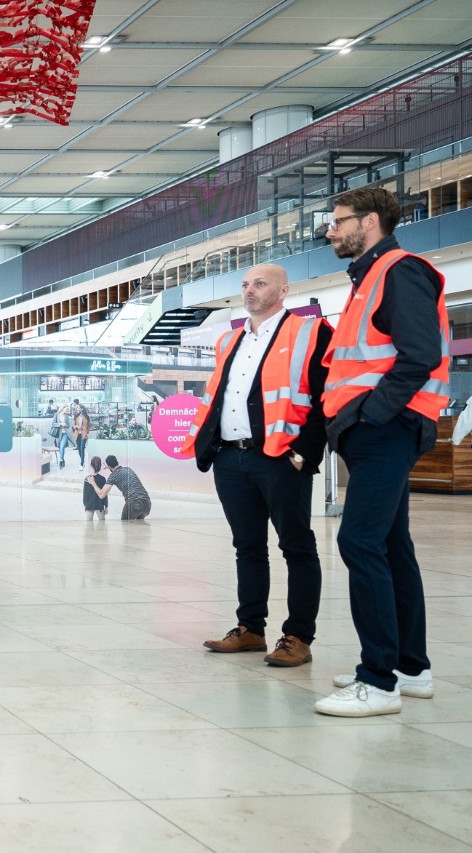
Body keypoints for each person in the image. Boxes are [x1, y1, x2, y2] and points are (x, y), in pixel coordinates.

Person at [315, 187, 451, 717]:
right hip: (376, 428)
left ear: (369, 222)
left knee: (359, 542)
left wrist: (373, 414)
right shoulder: (368, 278)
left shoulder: (398, 270)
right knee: (392, 546)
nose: (331, 231)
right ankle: (409, 668)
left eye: (338, 221)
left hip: (386, 427)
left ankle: (379, 681)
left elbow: (420, 355)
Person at [182, 263, 332, 668]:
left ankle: (298, 636)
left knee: (296, 546)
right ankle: (250, 628)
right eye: (245, 285)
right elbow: (220, 396)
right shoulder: (230, 340)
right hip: (232, 458)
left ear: (283, 290)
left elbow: (326, 399)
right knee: (246, 546)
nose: (249, 291)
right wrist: (209, 446)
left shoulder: (310, 332)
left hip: (281, 459)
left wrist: (304, 455)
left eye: (259, 284)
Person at [87, 455, 151, 520]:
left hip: (134, 502)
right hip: (147, 502)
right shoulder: (128, 469)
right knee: (138, 526)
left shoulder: (113, 476)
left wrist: (93, 483)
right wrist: (108, 466)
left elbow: (101, 495)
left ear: (109, 466)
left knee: (125, 525)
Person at [82, 456, 107, 521]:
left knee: (89, 527)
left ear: (91, 465)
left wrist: (85, 505)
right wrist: (106, 506)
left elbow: (85, 494)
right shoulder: (102, 479)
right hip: (99, 505)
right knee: (102, 525)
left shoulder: (87, 478)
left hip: (89, 505)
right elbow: (104, 494)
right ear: (100, 465)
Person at [71, 399, 91, 472]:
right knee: (79, 449)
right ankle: (82, 461)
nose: (76, 409)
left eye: (78, 408)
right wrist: (76, 426)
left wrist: (86, 431)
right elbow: (73, 425)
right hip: (77, 434)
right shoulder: (76, 416)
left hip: (83, 435)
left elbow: (89, 425)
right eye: (76, 408)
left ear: (81, 409)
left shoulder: (86, 417)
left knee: (82, 448)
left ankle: (81, 464)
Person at [52, 401, 74, 469]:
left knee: (61, 447)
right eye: (66, 409)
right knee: (61, 448)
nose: (67, 410)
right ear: (62, 408)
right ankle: (63, 459)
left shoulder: (66, 416)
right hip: (59, 434)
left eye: (67, 409)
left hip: (65, 434)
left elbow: (68, 425)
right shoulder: (56, 415)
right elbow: (53, 424)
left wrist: (65, 425)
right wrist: (60, 424)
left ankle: (61, 461)